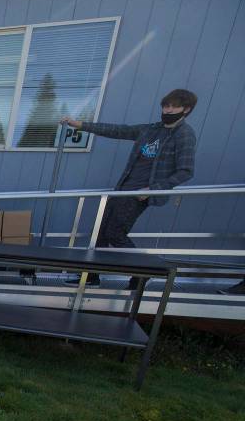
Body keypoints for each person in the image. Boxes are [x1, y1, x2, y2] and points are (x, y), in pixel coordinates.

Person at [62, 89, 197, 286]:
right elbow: (119, 130)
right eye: (166, 106)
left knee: (115, 233)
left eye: (173, 106)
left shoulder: (184, 134)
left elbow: (185, 171)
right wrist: (80, 124)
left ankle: (142, 271)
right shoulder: (153, 129)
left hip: (140, 194)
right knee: (99, 232)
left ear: (186, 109)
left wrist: (154, 189)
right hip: (123, 188)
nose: (168, 110)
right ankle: (91, 276)